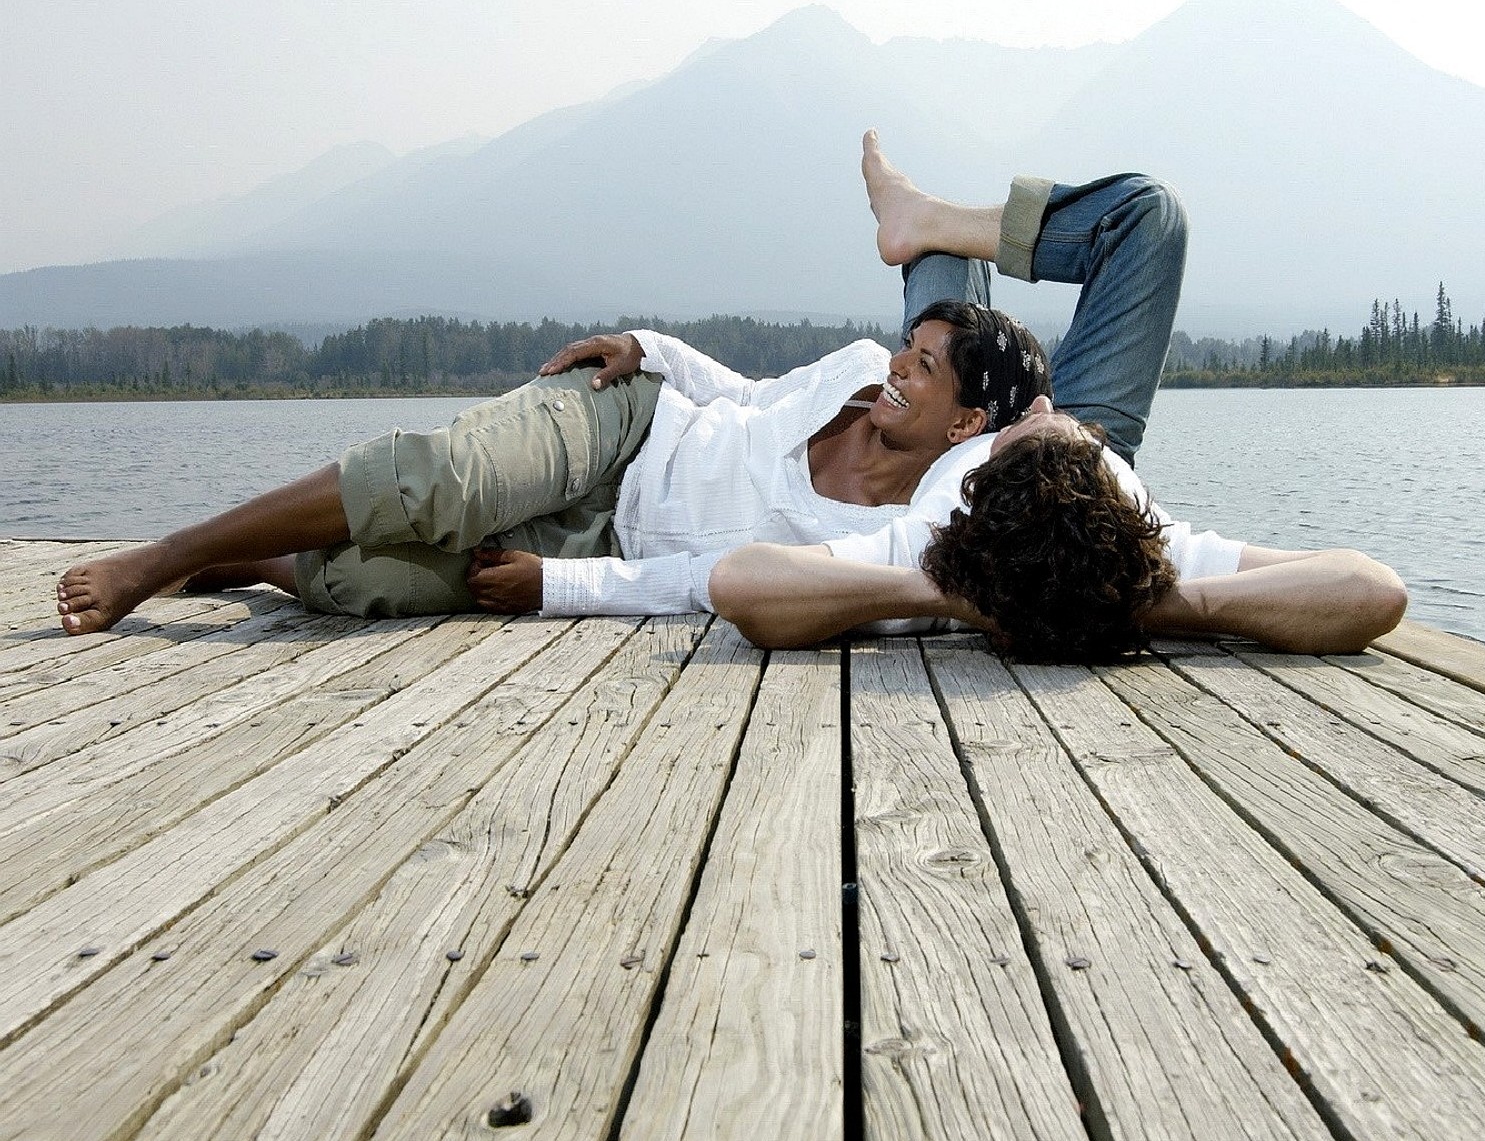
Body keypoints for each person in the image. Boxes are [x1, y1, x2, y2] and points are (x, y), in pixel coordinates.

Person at [54, 264, 1052, 636]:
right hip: (631, 424)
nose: (896, 373)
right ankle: (166, 556)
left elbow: (711, 578)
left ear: (965, 428)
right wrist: (645, 348)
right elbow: (743, 397)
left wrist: (559, 587)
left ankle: (253, 561)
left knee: (378, 586)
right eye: (907, 351)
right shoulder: (848, 371)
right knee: (445, 483)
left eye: (923, 371)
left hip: (606, 544)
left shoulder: (890, 537)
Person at [708, 134, 1408, 657]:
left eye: (1038, 416)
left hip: (984, 457)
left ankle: (923, 225)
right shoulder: (1143, 548)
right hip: (1080, 513)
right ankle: (926, 222)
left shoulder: (944, 544)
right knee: (1147, 216)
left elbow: (742, 583)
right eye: (1046, 414)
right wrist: (1136, 597)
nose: (1042, 404)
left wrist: (973, 591)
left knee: (944, 277)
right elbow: (1370, 590)